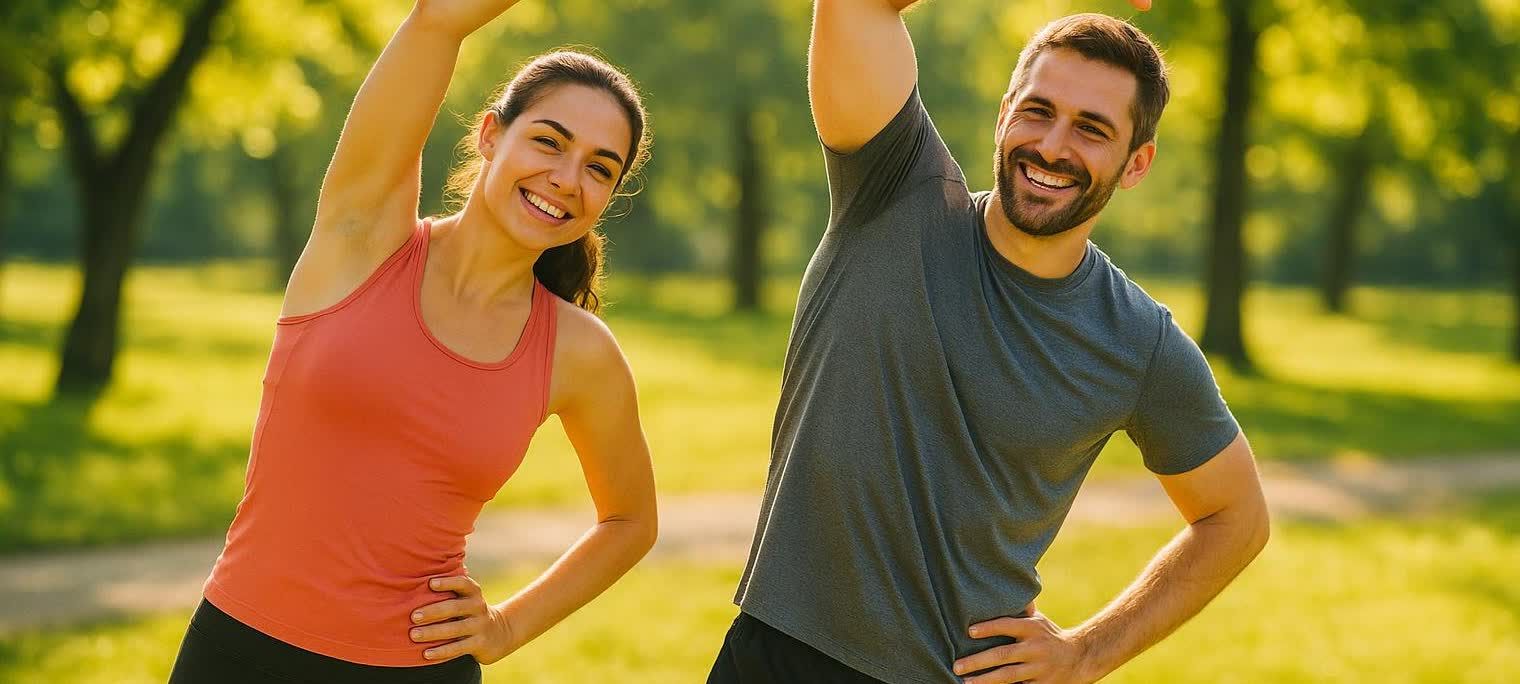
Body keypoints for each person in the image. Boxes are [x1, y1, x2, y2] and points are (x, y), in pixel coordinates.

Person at [709, 2, 1270, 683]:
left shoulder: (1140, 343)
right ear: (1004, 114)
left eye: (1091, 129)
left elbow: (1236, 517)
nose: (1053, 146)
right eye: (1038, 111)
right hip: (771, 656)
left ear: (1136, 163)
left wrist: (1087, 652)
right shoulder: (892, 189)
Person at [168, 1, 657, 682]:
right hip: (241, 650)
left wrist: (507, 626)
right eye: (549, 141)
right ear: (490, 135)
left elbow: (631, 521)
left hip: (418, 667)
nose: (568, 179)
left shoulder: (579, 352)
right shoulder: (364, 240)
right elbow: (435, 21)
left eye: (600, 168)